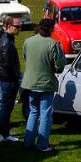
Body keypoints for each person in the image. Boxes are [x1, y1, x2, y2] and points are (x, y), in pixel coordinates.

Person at [22, 18, 66, 152]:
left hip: (30, 83)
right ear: (51, 29)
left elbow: (25, 57)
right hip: (45, 83)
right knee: (45, 114)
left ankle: (28, 142)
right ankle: (42, 144)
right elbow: (59, 67)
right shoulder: (53, 44)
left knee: (33, 112)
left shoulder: (28, 41)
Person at [0, 16, 22, 142]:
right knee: (6, 107)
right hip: (8, 80)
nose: (19, 29)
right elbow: (7, 63)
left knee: (6, 106)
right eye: (17, 26)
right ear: (8, 26)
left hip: (8, 78)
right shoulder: (6, 42)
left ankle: (4, 132)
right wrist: (15, 77)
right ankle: (4, 134)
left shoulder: (7, 39)